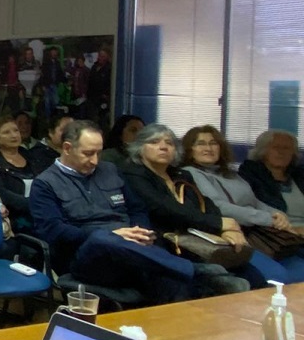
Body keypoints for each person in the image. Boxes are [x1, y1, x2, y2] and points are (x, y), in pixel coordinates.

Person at [28, 121, 245, 304]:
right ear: (67, 148)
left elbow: (137, 208)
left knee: (170, 280)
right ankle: (196, 270)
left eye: (99, 152)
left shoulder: (110, 170)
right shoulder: (46, 183)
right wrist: (114, 235)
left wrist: (141, 231)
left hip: (132, 251)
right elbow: (53, 231)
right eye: (88, 153)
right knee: (103, 238)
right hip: (85, 256)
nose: (95, 160)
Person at [120, 124, 270, 288]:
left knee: (255, 277)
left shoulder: (180, 174)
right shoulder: (133, 173)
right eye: (154, 142)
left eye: (169, 143)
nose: (163, 147)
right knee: (231, 283)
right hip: (164, 246)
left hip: (199, 242)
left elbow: (206, 204)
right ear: (140, 148)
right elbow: (165, 209)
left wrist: (226, 228)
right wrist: (219, 224)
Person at [182, 125, 304, 282]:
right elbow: (219, 207)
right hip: (232, 236)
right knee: (278, 277)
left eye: (213, 143)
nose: (208, 148)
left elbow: (254, 201)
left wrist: (276, 214)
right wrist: (267, 218)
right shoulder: (190, 173)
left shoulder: (230, 174)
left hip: (261, 234)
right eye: (200, 143)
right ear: (190, 149)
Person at [239, 130, 304, 226]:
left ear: (293, 153)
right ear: (263, 151)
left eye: (286, 148)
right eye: (276, 147)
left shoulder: (300, 175)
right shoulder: (250, 176)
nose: (281, 152)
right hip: (276, 232)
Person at [0, 117, 39, 233]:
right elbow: (2, 193)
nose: (14, 135)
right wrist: (34, 204)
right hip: (11, 217)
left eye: (16, 131)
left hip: (38, 212)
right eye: (7, 132)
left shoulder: (31, 156)